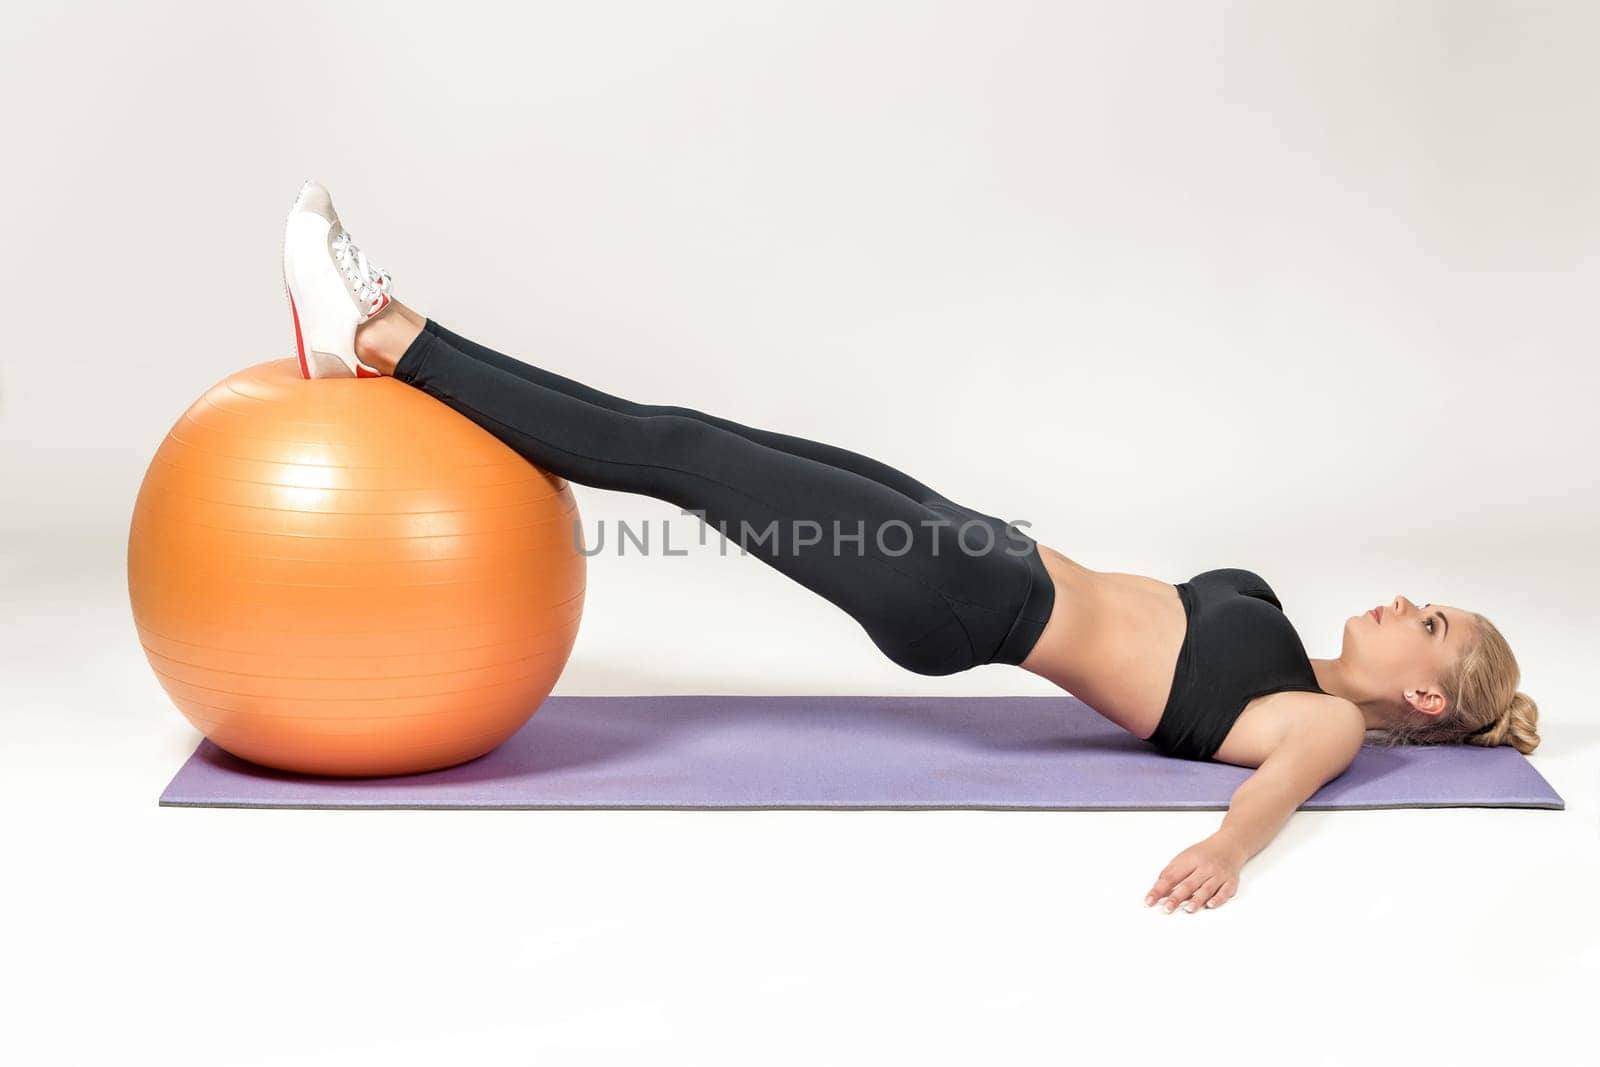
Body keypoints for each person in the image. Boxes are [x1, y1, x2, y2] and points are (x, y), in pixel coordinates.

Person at [282, 180, 1540, 912]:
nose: (1402, 601)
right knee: (697, 433)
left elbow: (1265, 799)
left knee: (665, 450)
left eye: (1428, 622)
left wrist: (1222, 851)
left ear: (1422, 696)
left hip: (963, 599)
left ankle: (383, 330)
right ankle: (386, 325)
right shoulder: (1287, 642)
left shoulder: (1315, 723)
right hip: (978, 546)